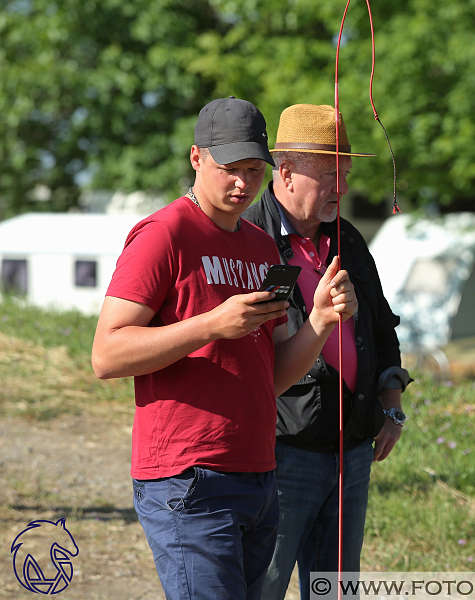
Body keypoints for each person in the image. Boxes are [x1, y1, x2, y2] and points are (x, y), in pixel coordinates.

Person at [91, 97, 358, 600]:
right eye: (229, 169)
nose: (242, 184)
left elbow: (273, 375)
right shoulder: (163, 234)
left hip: (258, 477)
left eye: (254, 171)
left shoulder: (260, 246)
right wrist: (210, 324)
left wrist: (321, 320)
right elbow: (106, 354)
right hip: (187, 479)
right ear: (197, 158)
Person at [242, 103, 410, 600]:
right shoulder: (251, 238)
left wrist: (392, 398)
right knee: (265, 586)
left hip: (352, 450)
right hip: (281, 452)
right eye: (329, 176)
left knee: (337, 589)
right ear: (287, 174)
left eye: (347, 175)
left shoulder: (349, 239)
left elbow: (382, 327)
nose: (342, 189)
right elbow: (245, 354)